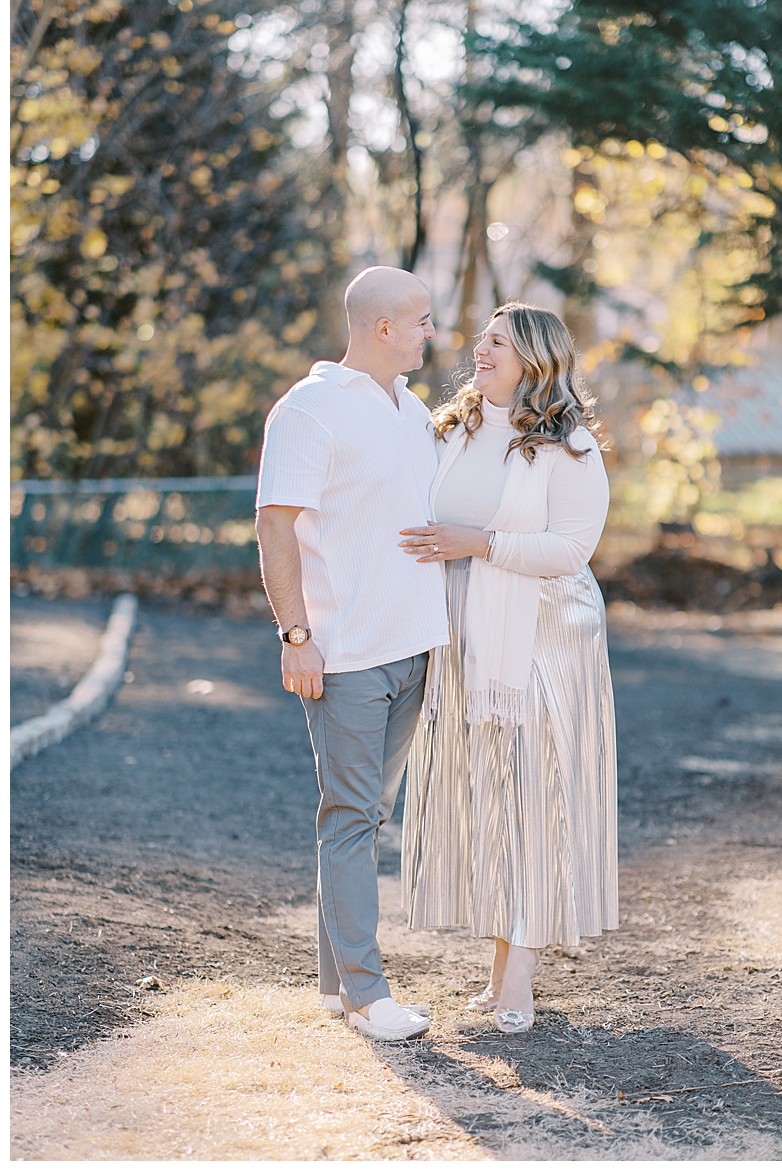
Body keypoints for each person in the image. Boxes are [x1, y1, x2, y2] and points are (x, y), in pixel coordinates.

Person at [397, 302, 618, 1035]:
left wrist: (479, 543)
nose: (479, 349)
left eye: (497, 341)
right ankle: (499, 967)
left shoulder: (570, 447)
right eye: (482, 339)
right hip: (465, 641)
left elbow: (571, 551)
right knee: (491, 801)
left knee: (535, 800)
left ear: (534, 359)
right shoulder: (449, 432)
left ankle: (519, 970)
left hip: (544, 640)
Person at [255, 265, 448, 1043]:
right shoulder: (309, 409)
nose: (432, 332)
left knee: (367, 816)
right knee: (349, 816)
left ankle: (338, 987)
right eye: (423, 320)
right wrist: (296, 636)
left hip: (414, 648)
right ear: (383, 328)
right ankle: (370, 998)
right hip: (346, 655)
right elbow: (275, 525)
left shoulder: (413, 410)